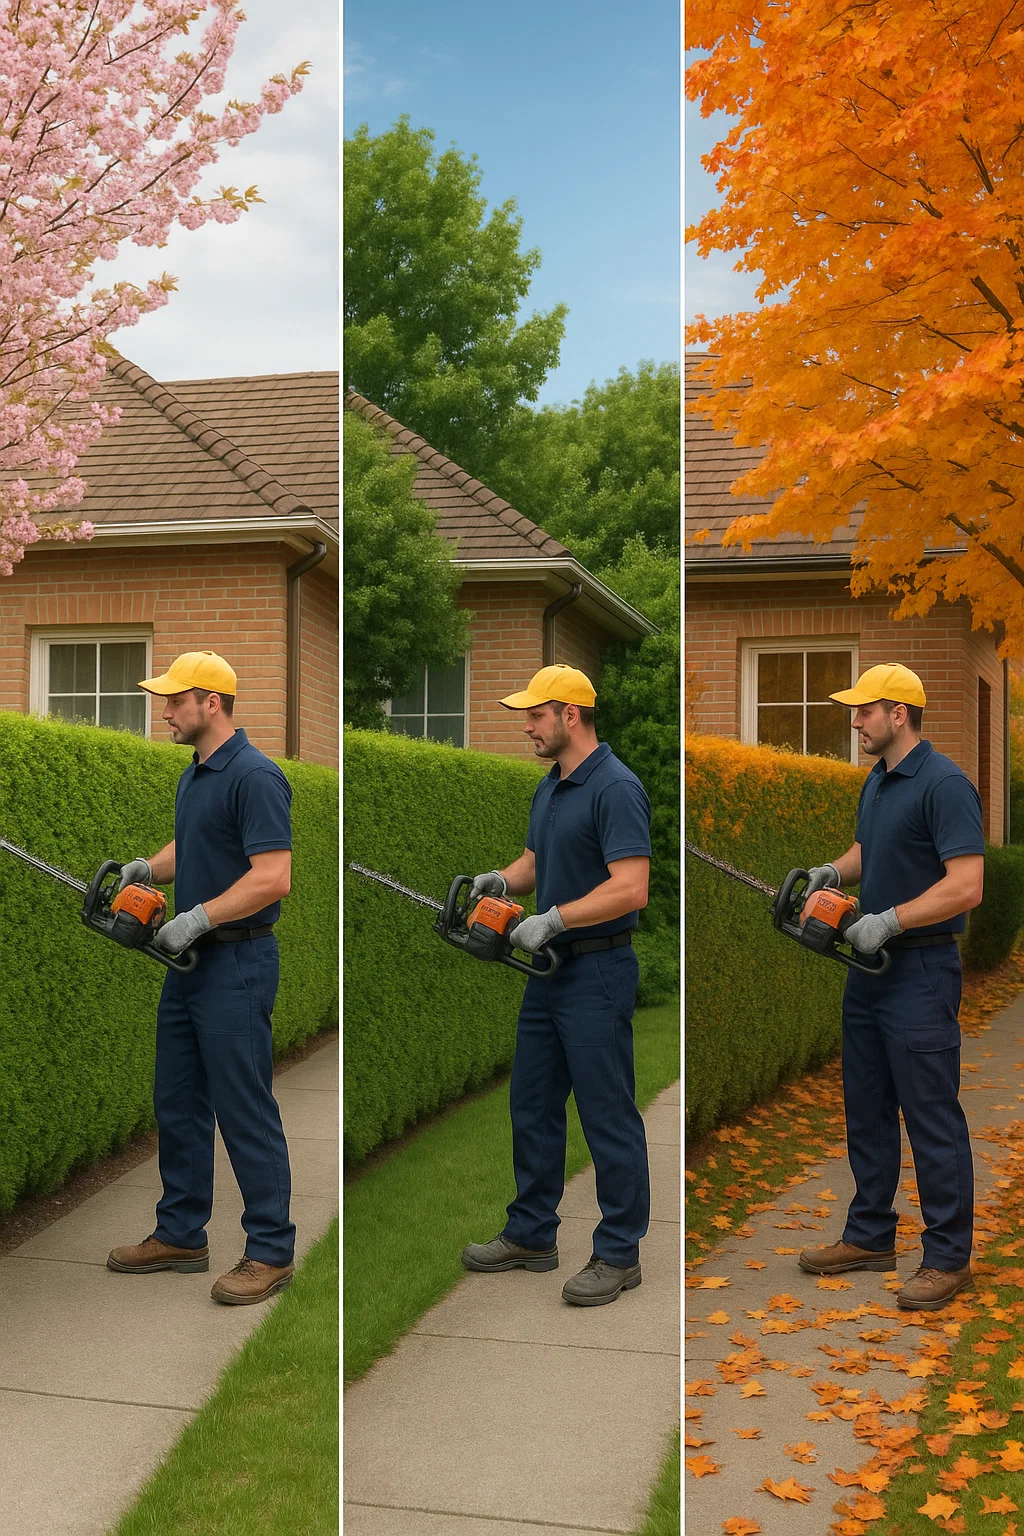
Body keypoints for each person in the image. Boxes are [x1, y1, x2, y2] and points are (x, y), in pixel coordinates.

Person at [106, 651, 296, 1305]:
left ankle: (270, 1251)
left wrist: (199, 918)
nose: (164, 712)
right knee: (178, 1101)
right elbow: (196, 845)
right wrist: (148, 869)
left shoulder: (255, 774)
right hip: (188, 965)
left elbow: (274, 875)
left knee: (244, 1108)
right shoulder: (199, 774)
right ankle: (181, 1232)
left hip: (237, 962)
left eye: (173, 701)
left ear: (210, 702)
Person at [461, 665, 653, 1307]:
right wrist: (503, 880)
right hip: (547, 973)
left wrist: (555, 917)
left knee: (607, 1114)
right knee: (532, 1104)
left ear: (571, 715)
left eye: (535, 715)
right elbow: (537, 860)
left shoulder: (616, 787)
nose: (526, 725)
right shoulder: (552, 787)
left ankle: (619, 1252)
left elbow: (631, 886)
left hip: (597, 968)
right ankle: (531, 1235)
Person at [797, 663, 984, 1310]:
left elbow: (966, 884)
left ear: (897, 713)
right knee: (867, 1108)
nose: (855, 721)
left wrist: (893, 919)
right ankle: (870, 1236)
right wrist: (834, 872)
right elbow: (866, 852)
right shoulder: (878, 783)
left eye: (864, 711)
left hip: (922, 972)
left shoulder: (945, 783)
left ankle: (948, 1258)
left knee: (932, 1115)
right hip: (869, 974)